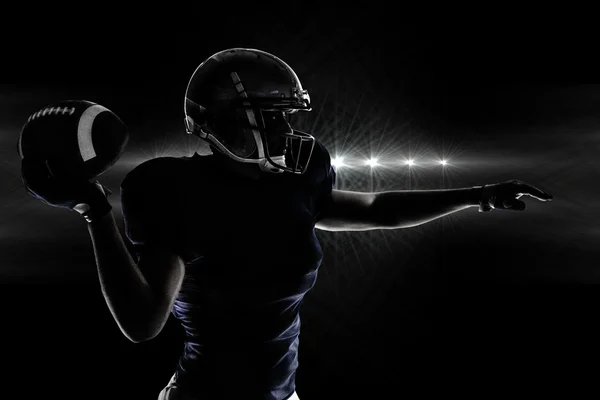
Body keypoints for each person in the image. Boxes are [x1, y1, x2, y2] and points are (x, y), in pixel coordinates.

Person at [21, 48, 553, 400]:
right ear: (224, 119)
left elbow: (374, 209)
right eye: (270, 115)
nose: (287, 128)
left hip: (283, 391)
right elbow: (143, 323)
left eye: (289, 115)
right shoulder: (176, 190)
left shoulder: (302, 174)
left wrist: (479, 195)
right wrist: (93, 211)